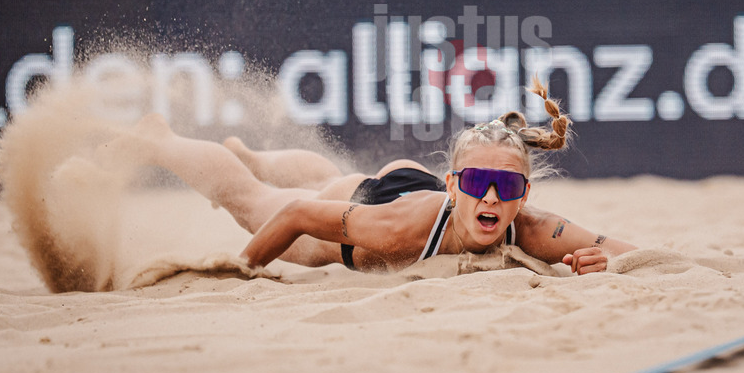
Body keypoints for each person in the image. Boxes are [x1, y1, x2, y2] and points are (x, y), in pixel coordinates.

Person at [115, 80, 636, 275]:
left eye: (509, 188)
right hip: (386, 207)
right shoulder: (400, 231)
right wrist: (243, 267)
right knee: (253, 200)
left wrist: (603, 261)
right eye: (478, 182)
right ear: (454, 184)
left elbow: (634, 252)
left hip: (404, 188)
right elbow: (297, 217)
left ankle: (253, 153)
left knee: (335, 179)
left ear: (525, 196)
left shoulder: (535, 228)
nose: (494, 197)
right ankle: (161, 140)